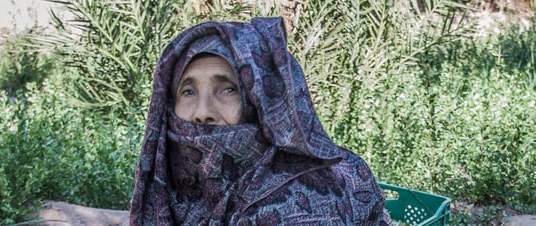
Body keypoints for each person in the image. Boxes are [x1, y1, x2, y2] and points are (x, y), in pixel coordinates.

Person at [130, 17, 391, 225]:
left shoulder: (298, 200)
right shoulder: (184, 184)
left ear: (263, 100)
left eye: (228, 89)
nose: (202, 111)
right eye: (188, 91)